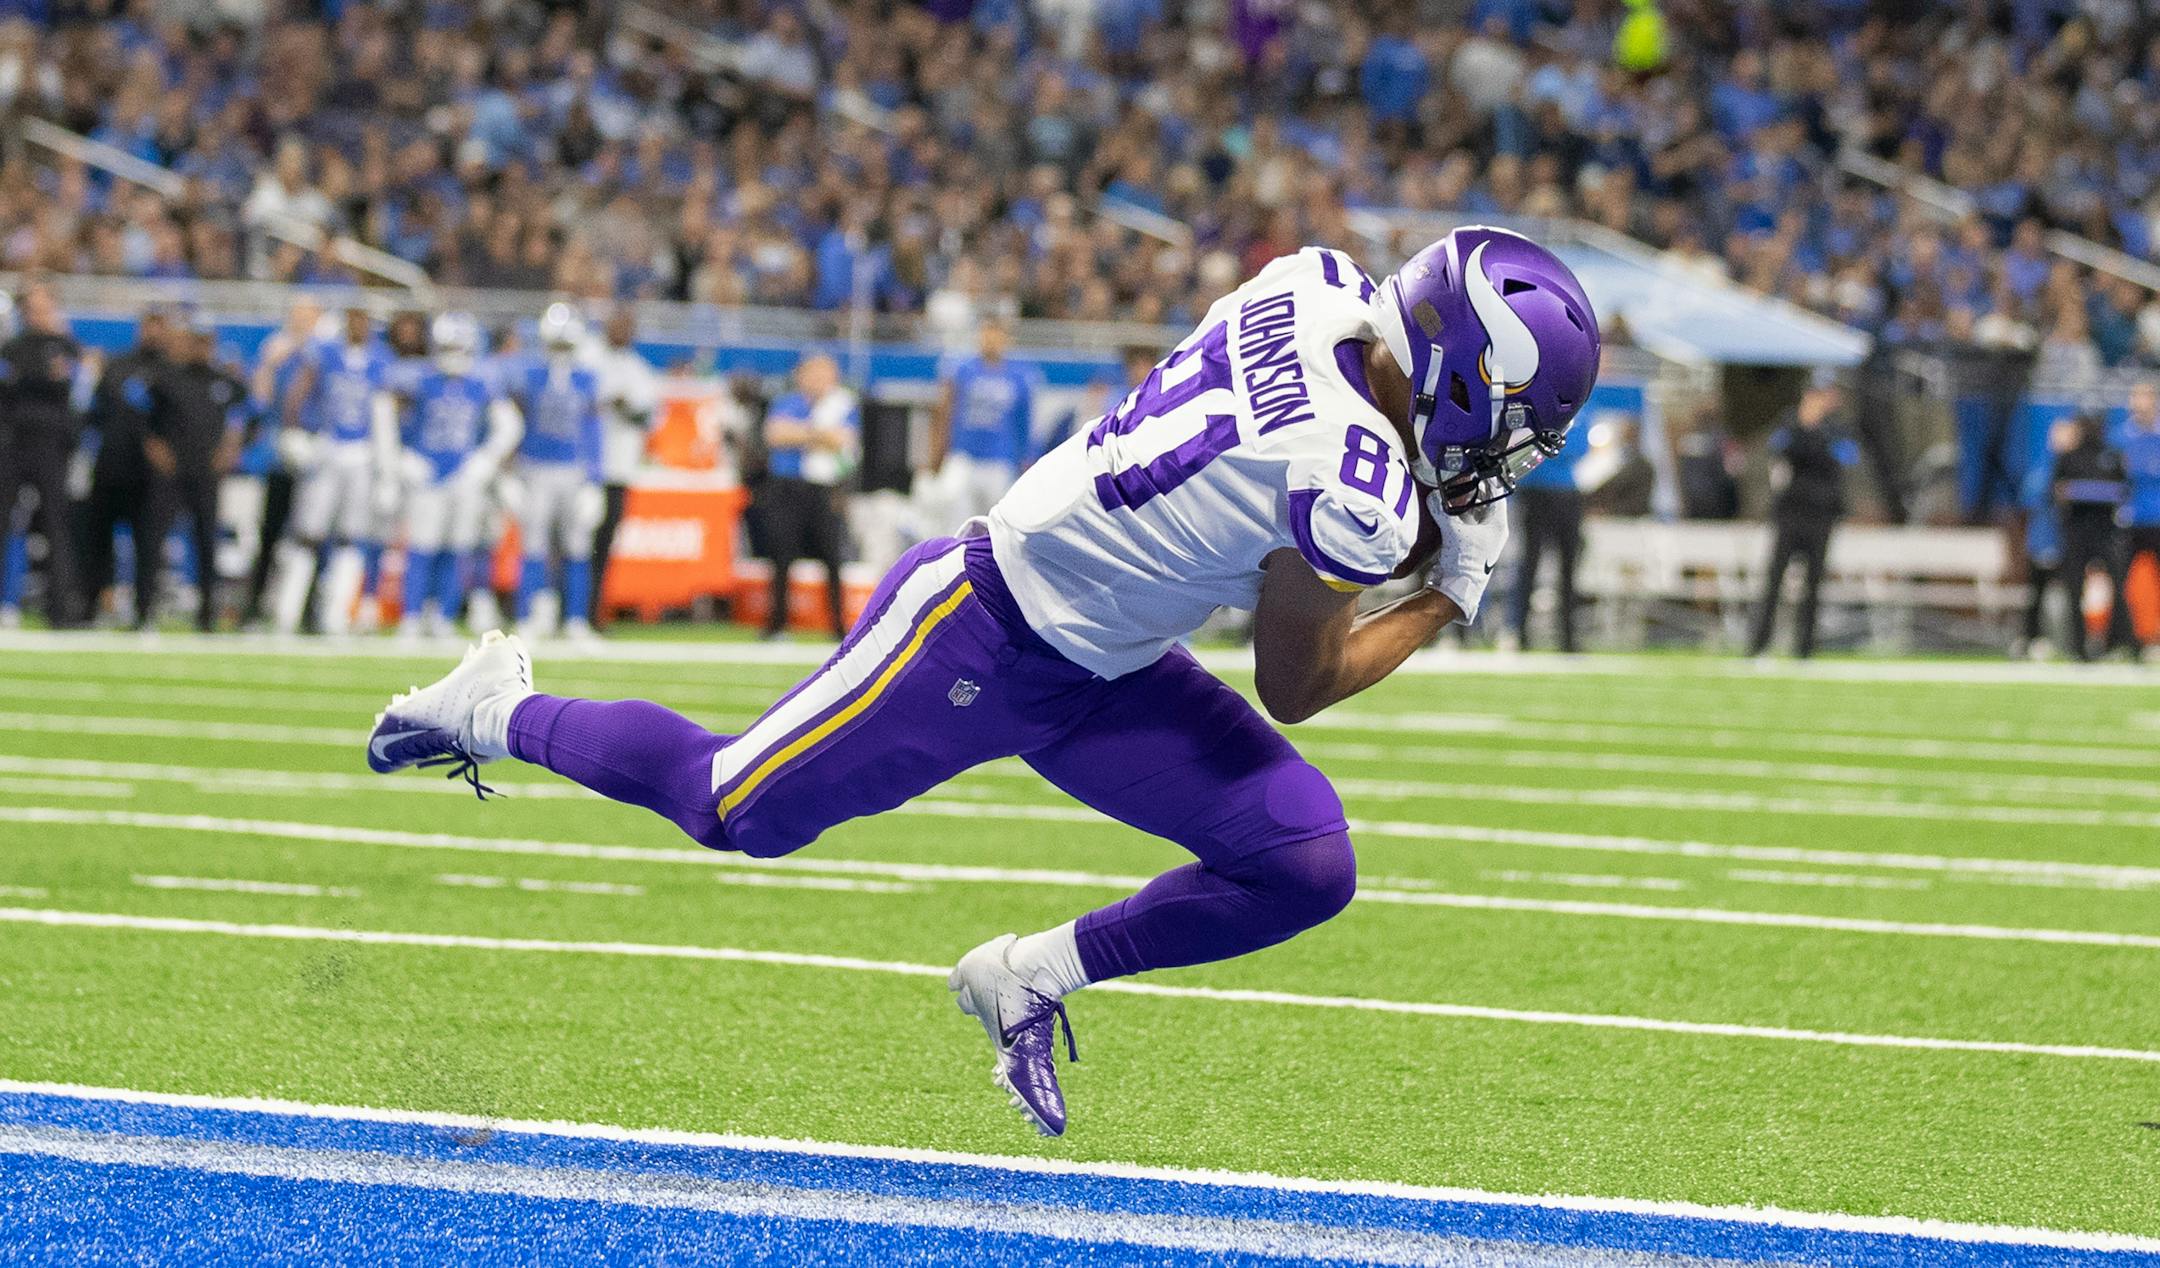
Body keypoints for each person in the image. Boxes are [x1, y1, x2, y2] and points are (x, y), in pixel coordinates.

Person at [366, 229, 1599, 1137]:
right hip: (983, 626)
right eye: (1512, 416)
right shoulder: (1354, 490)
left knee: (1303, 862)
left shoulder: (1316, 281)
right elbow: (1300, 682)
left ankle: (1028, 971)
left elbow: (1319, 422)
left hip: (1115, 663)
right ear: (1451, 368)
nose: (1509, 451)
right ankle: (496, 704)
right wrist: (1446, 591)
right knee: (731, 805)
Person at [377, 314, 522, 638]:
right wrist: (400, 460)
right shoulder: (418, 379)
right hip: (427, 474)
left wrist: (485, 459)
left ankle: (442, 616)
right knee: (421, 548)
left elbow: (510, 426)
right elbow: (384, 416)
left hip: (463, 476)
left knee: (458, 548)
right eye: (447, 347)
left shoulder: (481, 382)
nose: (453, 354)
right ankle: (412, 617)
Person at [266, 303, 390, 636]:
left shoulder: (380, 360)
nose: (358, 325)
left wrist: (386, 465)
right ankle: (287, 613)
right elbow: (297, 391)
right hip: (327, 448)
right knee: (307, 534)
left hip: (362, 455)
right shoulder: (325, 353)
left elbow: (387, 412)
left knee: (351, 538)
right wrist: (293, 430)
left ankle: (337, 615)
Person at [142, 315, 250, 631]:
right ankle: (144, 611)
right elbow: (143, 417)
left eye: (207, 342)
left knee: (206, 542)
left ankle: (206, 617)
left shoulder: (224, 381)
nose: (202, 348)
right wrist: (155, 448)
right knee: (153, 539)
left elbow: (247, 414)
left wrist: (231, 447)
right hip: (171, 471)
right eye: (197, 341)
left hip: (206, 472)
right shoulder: (168, 377)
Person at [505, 304, 605, 641]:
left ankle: (576, 620)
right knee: (532, 547)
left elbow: (593, 431)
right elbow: (514, 426)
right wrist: (510, 474)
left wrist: (594, 480)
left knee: (577, 548)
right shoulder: (529, 376)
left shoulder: (587, 378)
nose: (561, 351)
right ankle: (526, 618)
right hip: (535, 469)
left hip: (573, 471)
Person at [1745, 378, 1858, 658]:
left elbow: (1845, 458)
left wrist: (1813, 435)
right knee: (1774, 581)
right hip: (1791, 513)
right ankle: (1759, 645)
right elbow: (1779, 449)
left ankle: (1804, 648)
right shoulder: (1790, 423)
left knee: (1813, 584)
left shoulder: (1837, 428)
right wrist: (1805, 428)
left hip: (1822, 515)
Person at [0, 282, 87, 627]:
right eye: (32, 307)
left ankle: (61, 611)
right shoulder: (12, 347)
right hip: (12, 445)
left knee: (55, 526)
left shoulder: (66, 347)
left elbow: (73, 386)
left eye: (43, 306)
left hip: (52, 447)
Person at [79, 306, 172, 626]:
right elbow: (94, 412)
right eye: (149, 325)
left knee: (148, 543)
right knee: (98, 540)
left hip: (149, 474)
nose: (153, 332)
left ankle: (144, 611)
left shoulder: (172, 371)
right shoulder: (117, 365)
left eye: (159, 326)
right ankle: (91, 607)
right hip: (111, 465)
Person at [755, 353, 857, 640]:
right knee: (781, 555)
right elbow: (775, 435)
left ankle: (838, 626)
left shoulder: (842, 404)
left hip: (822, 489)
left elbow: (844, 441)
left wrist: (801, 434)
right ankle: (776, 625)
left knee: (832, 557)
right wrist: (820, 435)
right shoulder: (787, 402)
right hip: (786, 486)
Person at [240, 298, 322, 629]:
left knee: (314, 535)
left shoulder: (324, 351)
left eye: (307, 315)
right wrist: (268, 365)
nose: (301, 321)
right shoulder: (277, 348)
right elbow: (259, 399)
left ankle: (309, 609)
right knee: (270, 531)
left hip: (316, 451)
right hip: (279, 453)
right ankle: (255, 605)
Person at [583, 306, 659, 625]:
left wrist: (624, 406)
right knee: (575, 543)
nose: (622, 332)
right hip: (585, 468)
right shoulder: (587, 358)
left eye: (627, 327)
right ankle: (565, 610)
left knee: (603, 544)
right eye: (617, 325)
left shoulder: (638, 369)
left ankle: (592, 612)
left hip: (618, 469)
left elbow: (650, 416)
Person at [925, 319, 1039, 529]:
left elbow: (1025, 422)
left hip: (999, 459)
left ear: (1006, 340)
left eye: (996, 335)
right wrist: (937, 452)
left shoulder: (1020, 376)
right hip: (964, 455)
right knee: (953, 512)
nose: (991, 341)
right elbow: (944, 413)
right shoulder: (962, 370)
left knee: (998, 522)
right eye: (986, 334)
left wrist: (1026, 458)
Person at [2052, 411, 2133, 661]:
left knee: (2119, 587)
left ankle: (2119, 643)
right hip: (2078, 532)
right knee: (2075, 588)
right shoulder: (2068, 458)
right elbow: (2056, 492)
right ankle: (2078, 647)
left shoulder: (2112, 456)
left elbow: (2125, 490)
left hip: (2106, 532)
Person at [1503, 439, 1583, 652]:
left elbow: (1580, 447)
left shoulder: (1576, 420)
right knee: (1529, 564)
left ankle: (1568, 636)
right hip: (1536, 492)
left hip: (1563, 493)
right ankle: (1519, 631)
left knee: (1567, 568)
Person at [2018, 418, 2074, 659]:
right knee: (2037, 594)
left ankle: (2072, 641)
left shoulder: (2076, 468)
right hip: (2044, 540)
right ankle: (2032, 639)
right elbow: (2030, 496)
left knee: (2072, 594)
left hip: (2068, 543)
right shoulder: (2044, 468)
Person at [2117, 381, 2160, 655]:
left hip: (2158, 519)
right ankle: (2126, 641)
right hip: (2130, 520)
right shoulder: (2120, 437)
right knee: (2122, 581)